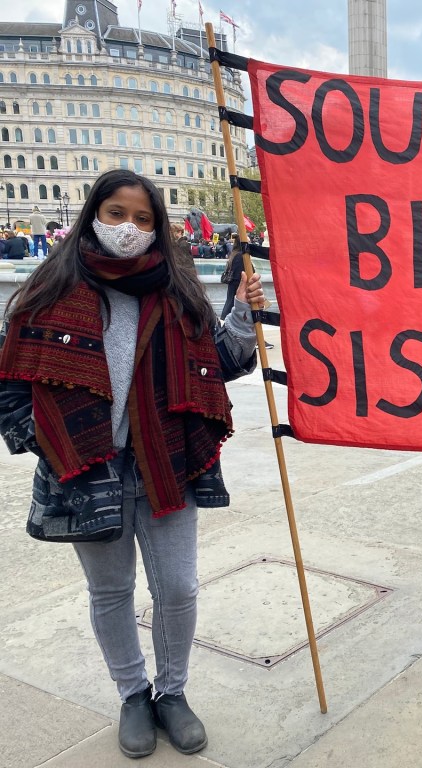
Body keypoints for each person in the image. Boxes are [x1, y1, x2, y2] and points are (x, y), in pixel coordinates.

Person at [0, 170, 265, 758]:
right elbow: (11, 383)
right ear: (94, 214)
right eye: (117, 214)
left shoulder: (177, 289)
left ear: (158, 227)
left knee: (178, 588)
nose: (129, 229)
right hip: (84, 468)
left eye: (143, 219)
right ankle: (132, 695)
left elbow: (220, 361)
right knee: (112, 590)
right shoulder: (48, 290)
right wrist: (44, 442)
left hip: (167, 462)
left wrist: (245, 316)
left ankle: (172, 693)